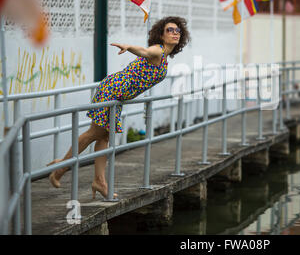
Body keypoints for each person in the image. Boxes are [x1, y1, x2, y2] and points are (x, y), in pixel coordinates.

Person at [46, 16, 191, 199]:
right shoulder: (158, 51)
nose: (175, 33)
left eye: (178, 31)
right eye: (170, 30)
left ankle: (99, 181)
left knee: (104, 136)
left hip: (118, 95)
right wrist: (130, 48)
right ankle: (61, 168)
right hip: (112, 90)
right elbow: (145, 51)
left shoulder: (164, 57)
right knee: (94, 133)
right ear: (161, 35)